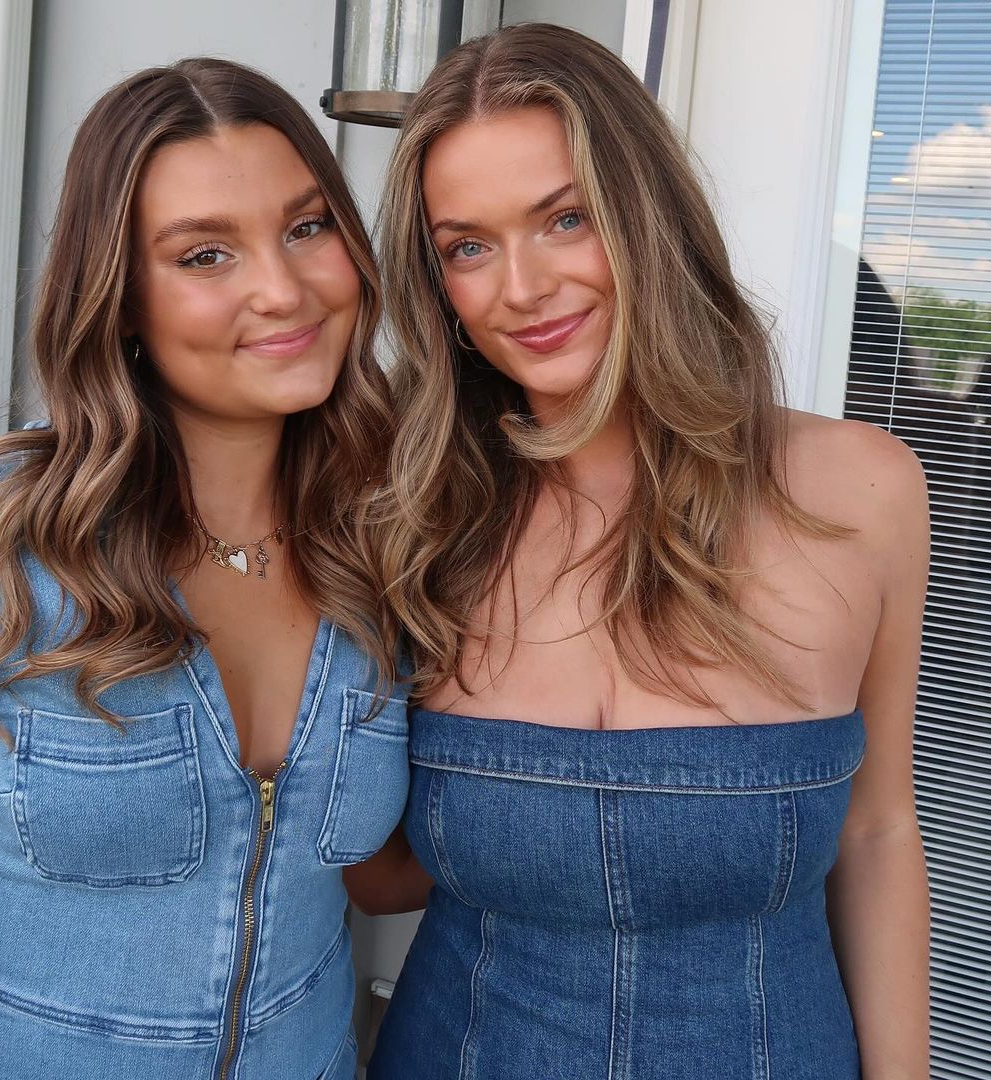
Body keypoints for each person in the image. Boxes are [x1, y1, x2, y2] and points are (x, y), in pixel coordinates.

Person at [353, 23, 930, 1080]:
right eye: (468, 246)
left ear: (646, 215)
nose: (522, 287)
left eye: (565, 218)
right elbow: (375, 873)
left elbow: (878, 832)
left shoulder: (861, 492)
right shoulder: (416, 516)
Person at [0, 58, 407, 1079]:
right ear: (121, 297)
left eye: (308, 227)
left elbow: (382, 876)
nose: (283, 290)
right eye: (205, 255)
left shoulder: (394, 537)